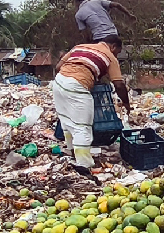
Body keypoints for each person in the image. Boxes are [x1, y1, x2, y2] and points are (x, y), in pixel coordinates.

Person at [52, 34, 132, 169]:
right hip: (77, 86)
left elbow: (58, 67)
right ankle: (84, 165)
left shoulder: (80, 47)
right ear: (113, 47)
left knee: (66, 120)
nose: (116, 56)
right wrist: (126, 103)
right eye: (117, 52)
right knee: (82, 127)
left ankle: (71, 152)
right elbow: (118, 84)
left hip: (59, 82)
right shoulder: (110, 56)